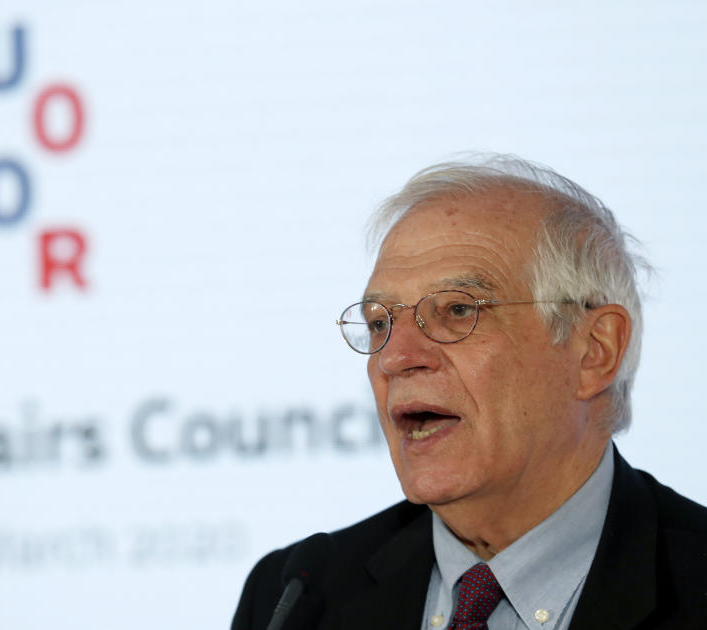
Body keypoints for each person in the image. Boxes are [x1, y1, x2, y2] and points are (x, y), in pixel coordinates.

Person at [231, 154, 707, 630]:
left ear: (593, 351)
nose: (394, 358)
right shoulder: (293, 598)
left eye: (458, 311)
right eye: (379, 323)